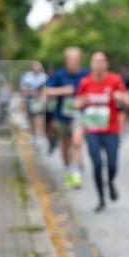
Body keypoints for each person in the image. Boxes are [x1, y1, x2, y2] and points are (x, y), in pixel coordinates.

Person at [75, 51, 129, 213]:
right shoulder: (85, 82)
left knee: (112, 165)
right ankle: (101, 199)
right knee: (97, 164)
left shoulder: (115, 80)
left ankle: (111, 183)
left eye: (101, 62)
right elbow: (77, 103)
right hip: (92, 129)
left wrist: (121, 97)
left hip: (111, 129)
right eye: (95, 62)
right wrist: (80, 102)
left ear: (106, 64)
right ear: (91, 64)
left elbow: (128, 102)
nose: (98, 65)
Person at [45, 48, 89, 189]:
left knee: (76, 142)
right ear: (66, 61)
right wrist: (63, 90)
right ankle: (69, 168)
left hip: (79, 114)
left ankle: (76, 173)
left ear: (80, 61)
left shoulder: (85, 74)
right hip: (62, 115)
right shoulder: (59, 75)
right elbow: (46, 91)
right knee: (65, 144)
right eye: (71, 60)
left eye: (76, 60)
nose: (73, 63)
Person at [20, 62, 48, 147]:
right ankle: (34, 135)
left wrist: (43, 97)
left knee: (39, 118)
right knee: (31, 120)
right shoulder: (26, 76)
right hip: (29, 100)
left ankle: (39, 137)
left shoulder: (44, 77)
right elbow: (23, 89)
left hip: (39, 101)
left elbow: (46, 90)